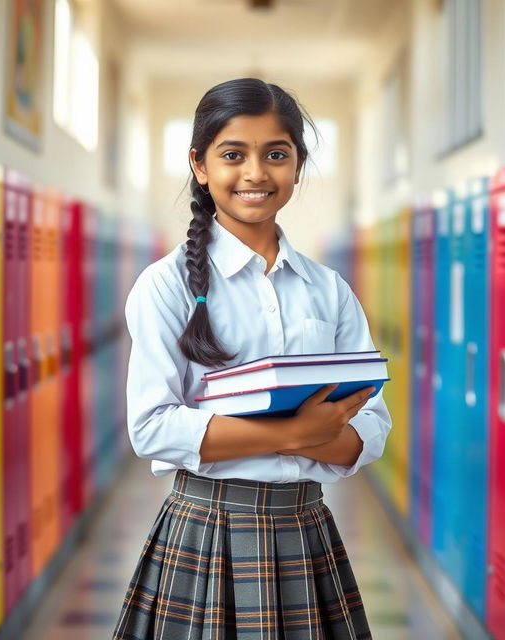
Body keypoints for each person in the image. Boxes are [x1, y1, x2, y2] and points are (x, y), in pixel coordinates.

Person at [112, 77, 391, 640]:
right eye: (233, 155)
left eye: (277, 155)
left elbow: (373, 424)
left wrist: (318, 432)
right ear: (200, 165)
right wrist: (296, 433)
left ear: (298, 165)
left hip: (305, 525)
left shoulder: (328, 289)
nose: (256, 173)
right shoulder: (164, 285)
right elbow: (152, 428)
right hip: (206, 528)